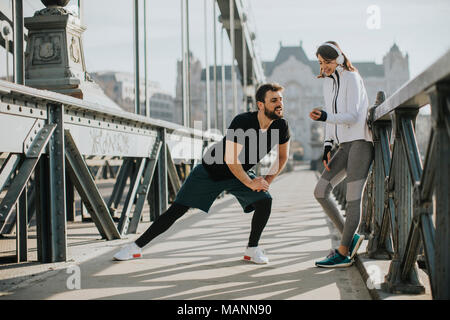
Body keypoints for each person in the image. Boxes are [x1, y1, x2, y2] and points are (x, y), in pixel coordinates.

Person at [113, 83, 291, 264]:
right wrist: (250, 183)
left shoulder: (281, 126)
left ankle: (252, 249)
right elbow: (231, 159)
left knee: (265, 200)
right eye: (274, 100)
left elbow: (282, 157)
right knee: (177, 209)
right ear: (261, 104)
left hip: (239, 173)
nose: (280, 104)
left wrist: (266, 181)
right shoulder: (243, 121)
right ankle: (135, 247)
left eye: (281, 100)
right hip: (211, 170)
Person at [309, 41, 373, 268]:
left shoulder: (351, 78)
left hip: (361, 142)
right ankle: (351, 237)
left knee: (354, 197)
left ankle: (344, 251)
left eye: (327, 62)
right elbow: (332, 118)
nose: (324, 67)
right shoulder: (327, 83)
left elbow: (354, 115)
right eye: (320, 62)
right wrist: (327, 145)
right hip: (343, 145)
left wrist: (326, 116)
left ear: (338, 58)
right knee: (320, 191)